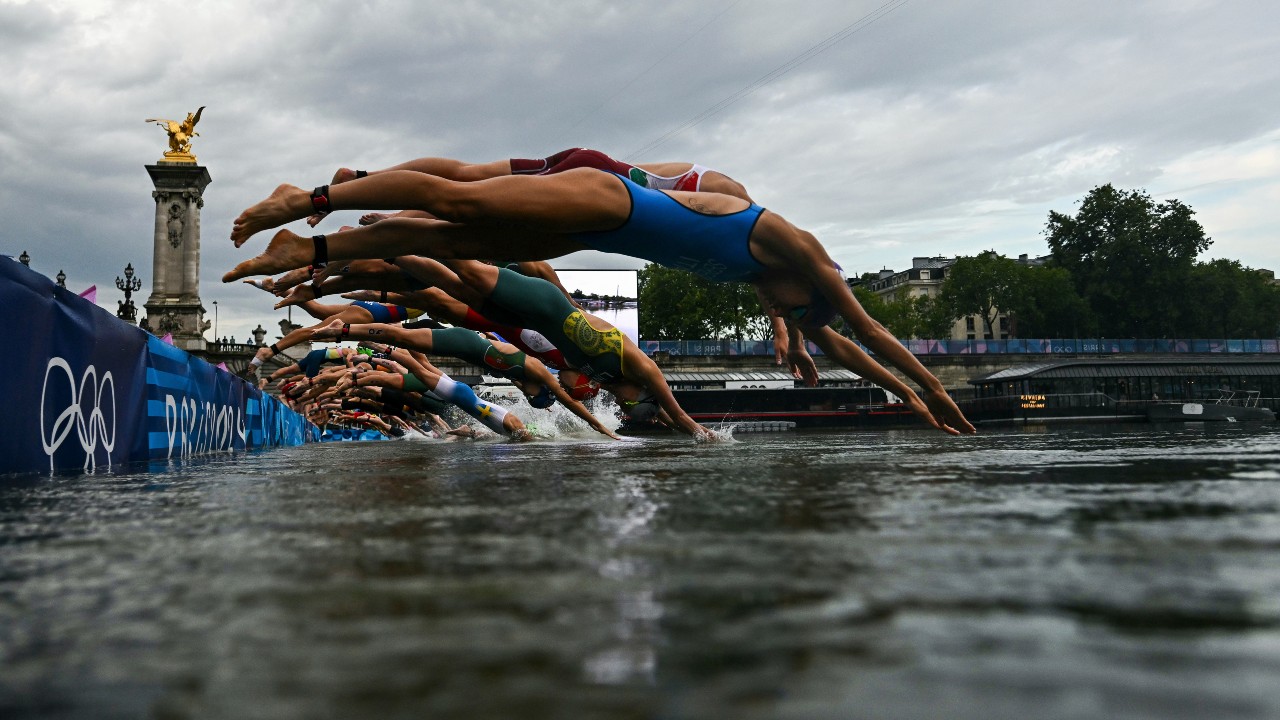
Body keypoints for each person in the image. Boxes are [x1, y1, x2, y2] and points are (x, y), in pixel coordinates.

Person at [226, 163, 975, 435]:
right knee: (461, 207)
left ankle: (316, 249)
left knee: (453, 241)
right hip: (612, 198)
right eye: (800, 319)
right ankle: (311, 201)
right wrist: (934, 384)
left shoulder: (787, 293)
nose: (807, 328)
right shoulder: (796, 248)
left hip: (607, 229)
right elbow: (869, 329)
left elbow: (848, 348)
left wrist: (907, 401)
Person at [310, 320, 620, 439]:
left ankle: (368, 348)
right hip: (470, 348)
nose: (528, 397)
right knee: (412, 356)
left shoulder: (525, 378)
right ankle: (354, 333)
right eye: (534, 397)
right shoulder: (538, 373)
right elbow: (567, 399)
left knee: (416, 361)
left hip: (471, 365)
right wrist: (600, 427)